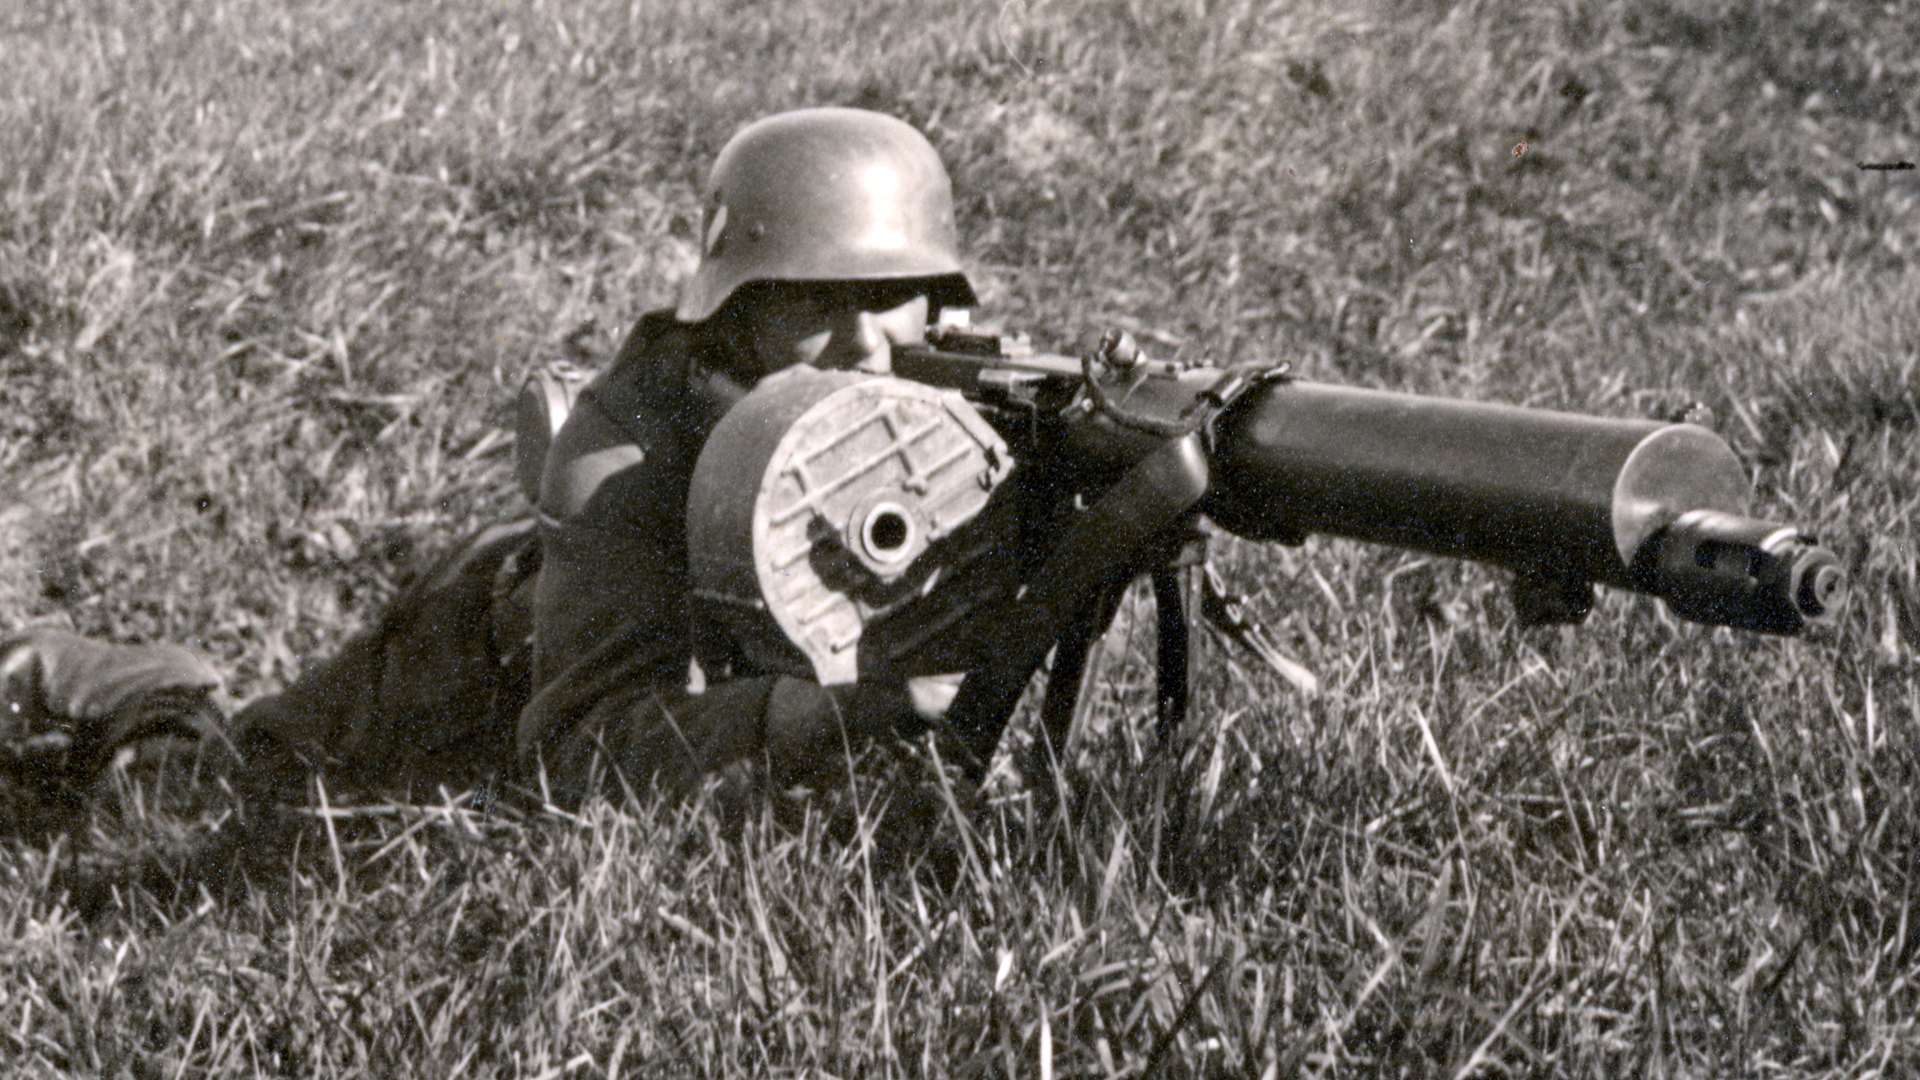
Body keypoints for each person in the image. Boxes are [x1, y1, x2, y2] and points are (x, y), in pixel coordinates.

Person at [0, 107, 983, 809]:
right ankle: (115, 680)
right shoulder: (629, 442)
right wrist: (821, 717)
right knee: (215, 782)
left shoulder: (953, 400)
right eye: (817, 302)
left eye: (891, 295)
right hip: (470, 668)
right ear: (736, 308)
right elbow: (578, 750)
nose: (867, 344)